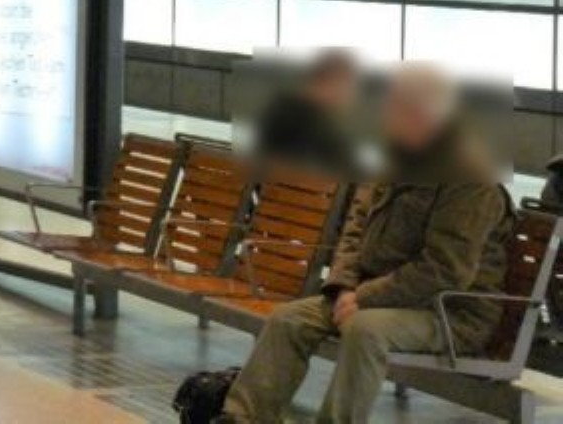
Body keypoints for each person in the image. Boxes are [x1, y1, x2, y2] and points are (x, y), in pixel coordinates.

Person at [217, 65, 514, 424]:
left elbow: (445, 269)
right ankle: (243, 418)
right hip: (377, 296)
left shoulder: (471, 181)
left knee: (365, 329)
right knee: (288, 320)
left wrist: (364, 297)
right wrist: (345, 288)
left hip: (449, 312)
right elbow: (354, 232)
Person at [252, 49, 361, 177]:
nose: (349, 95)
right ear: (328, 82)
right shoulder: (307, 121)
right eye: (347, 86)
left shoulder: (284, 107)